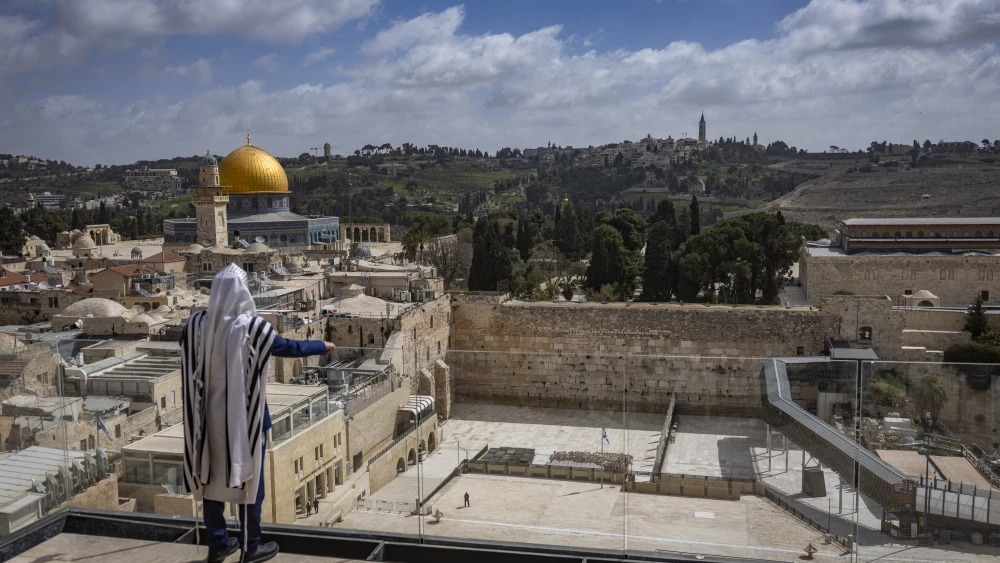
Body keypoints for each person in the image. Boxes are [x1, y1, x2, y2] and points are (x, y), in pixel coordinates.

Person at [181, 264, 335, 563]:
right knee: (251, 480)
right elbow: (288, 347)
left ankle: (217, 542)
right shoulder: (252, 328)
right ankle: (251, 545)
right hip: (246, 419)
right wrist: (322, 345)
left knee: (209, 475)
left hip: (205, 418)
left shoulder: (195, 324)